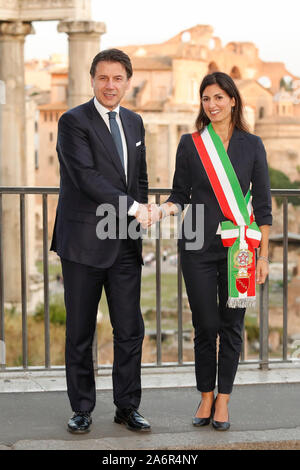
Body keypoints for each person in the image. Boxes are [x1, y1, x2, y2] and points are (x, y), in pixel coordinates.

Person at [150, 72, 272, 431]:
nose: (212, 105)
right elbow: (179, 194)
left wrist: (264, 255)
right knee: (204, 325)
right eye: (206, 99)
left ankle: (224, 400)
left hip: (241, 250)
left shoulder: (253, 145)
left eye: (219, 97)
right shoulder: (191, 144)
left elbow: (263, 205)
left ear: (233, 100)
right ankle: (205, 394)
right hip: (197, 247)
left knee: (232, 325)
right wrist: (162, 210)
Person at [50, 49, 151, 434]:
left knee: (130, 330)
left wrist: (136, 215)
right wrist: (133, 209)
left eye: (118, 78)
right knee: (80, 331)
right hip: (83, 244)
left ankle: (127, 407)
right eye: (103, 78)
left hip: (124, 241)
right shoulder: (72, 121)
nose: (110, 85)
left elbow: (138, 178)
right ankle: (82, 408)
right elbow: (86, 177)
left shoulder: (135, 122)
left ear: (128, 81)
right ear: (92, 80)